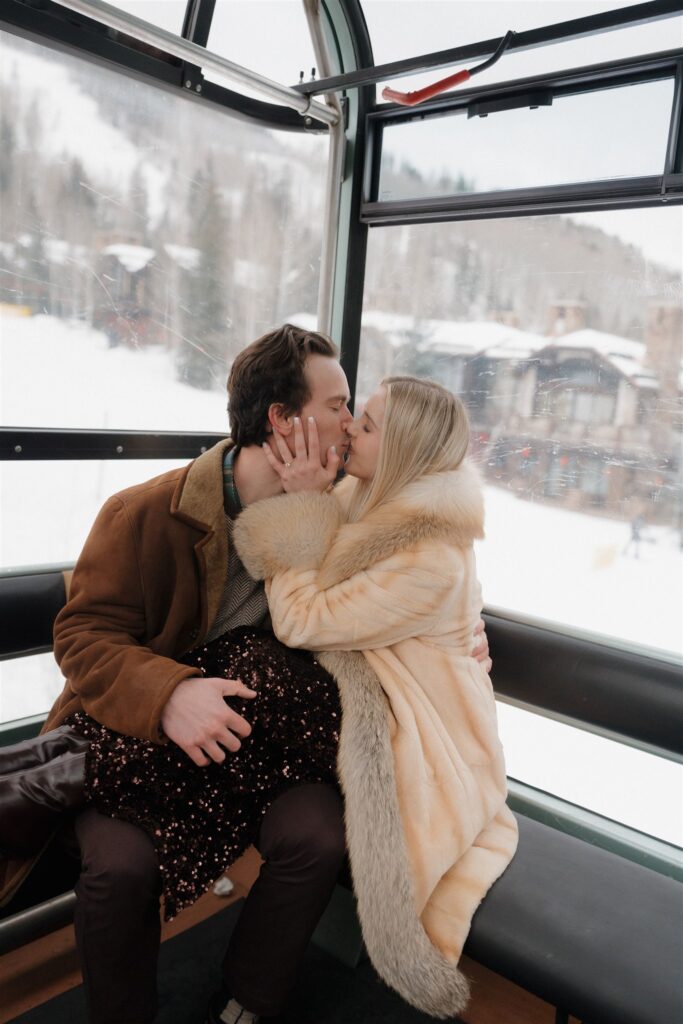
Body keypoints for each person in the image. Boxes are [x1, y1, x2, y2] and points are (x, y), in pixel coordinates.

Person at [0, 326, 491, 1024]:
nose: (350, 424)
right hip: (148, 731)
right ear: (282, 421)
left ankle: (247, 998)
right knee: (121, 869)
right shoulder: (145, 511)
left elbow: (420, 567)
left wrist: (465, 639)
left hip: (261, 739)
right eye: (338, 404)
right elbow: (80, 636)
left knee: (317, 836)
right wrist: (169, 696)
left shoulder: (343, 506)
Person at [233, 376, 519, 1019]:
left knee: (248, 671)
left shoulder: (429, 554)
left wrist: (300, 507)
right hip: (375, 698)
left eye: (367, 423)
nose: (350, 431)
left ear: (404, 448)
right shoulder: (372, 495)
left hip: (428, 733)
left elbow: (302, 620)